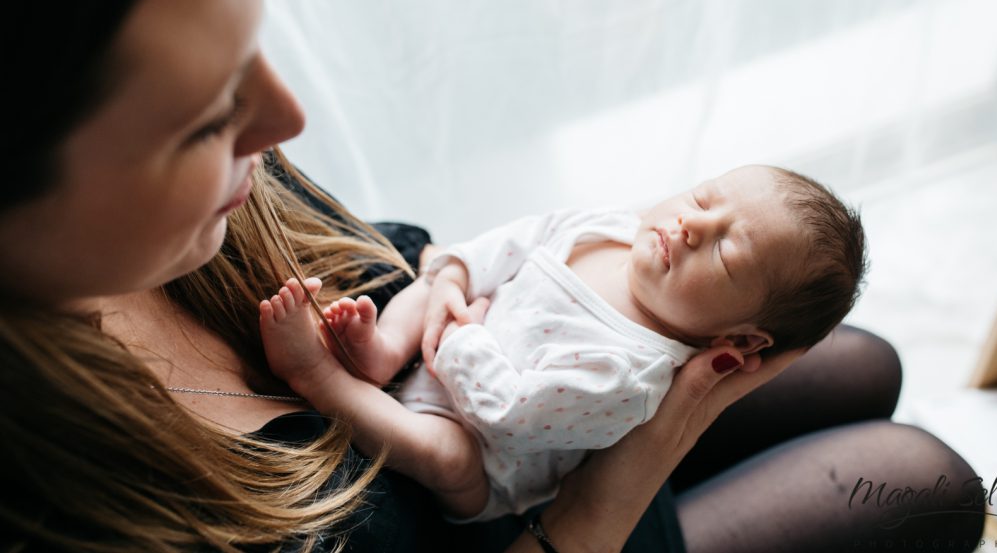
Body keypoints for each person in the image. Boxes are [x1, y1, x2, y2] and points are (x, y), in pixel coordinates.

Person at [0, 0, 986, 551]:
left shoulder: (217, 186)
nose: (286, 119)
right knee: (921, 478)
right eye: (203, 116)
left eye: (249, 45)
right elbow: (514, 388)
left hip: (514, 412)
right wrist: (612, 496)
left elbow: (473, 247)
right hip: (527, 515)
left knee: (865, 359)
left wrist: (451, 280)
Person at [259, 164, 867, 521]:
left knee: (448, 458)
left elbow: (509, 417)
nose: (691, 224)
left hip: (481, 450)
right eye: (704, 199)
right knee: (432, 277)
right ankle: (380, 352)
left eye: (724, 250)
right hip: (451, 336)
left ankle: (320, 375)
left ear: (740, 337)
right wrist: (457, 275)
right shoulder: (610, 232)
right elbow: (521, 238)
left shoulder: (631, 374)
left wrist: (464, 334)